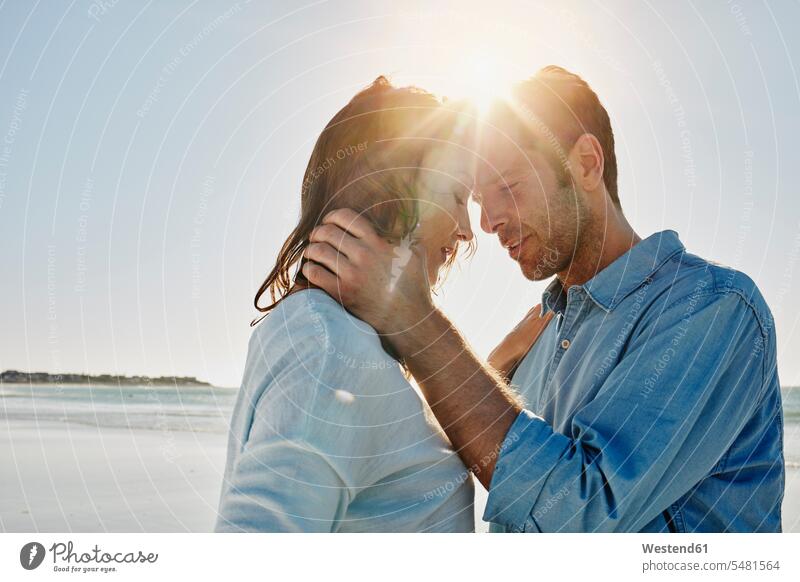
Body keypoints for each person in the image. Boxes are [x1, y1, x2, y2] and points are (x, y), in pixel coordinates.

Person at [302, 66, 785, 532]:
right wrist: (488, 367)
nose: (488, 223)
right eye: (476, 200)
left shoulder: (711, 308)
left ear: (586, 165)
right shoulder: (536, 340)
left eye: (507, 187)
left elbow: (578, 514)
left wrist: (416, 322)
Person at [215, 77, 477, 532]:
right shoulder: (329, 348)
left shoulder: (334, 335)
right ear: (393, 192)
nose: (467, 230)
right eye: (456, 195)